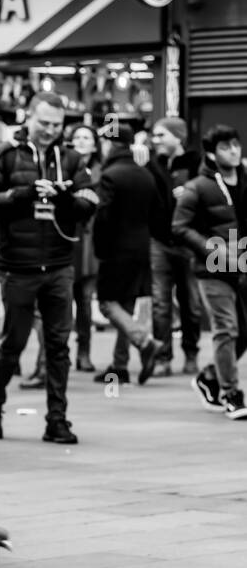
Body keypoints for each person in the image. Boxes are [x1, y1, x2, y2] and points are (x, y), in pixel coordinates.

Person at [0, 92, 95, 444]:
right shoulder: (6, 155)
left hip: (60, 264)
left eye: (57, 125)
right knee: (14, 343)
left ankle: (57, 420)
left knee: (59, 346)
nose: (50, 130)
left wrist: (66, 198)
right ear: (29, 117)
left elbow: (91, 202)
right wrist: (22, 194)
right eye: (43, 123)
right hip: (18, 265)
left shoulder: (72, 158)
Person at [173, 124, 247, 419]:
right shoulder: (198, 187)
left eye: (236, 145)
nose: (233, 151)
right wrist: (211, 249)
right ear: (211, 154)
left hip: (242, 265)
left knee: (244, 332)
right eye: (225, 147)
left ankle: (209, 376)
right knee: (226, 328)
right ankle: (231, 393)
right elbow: (179, 227)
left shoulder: (245, 179)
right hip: (213, 268)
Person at [91, 122, 163, 384]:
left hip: (115, 250)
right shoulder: (145, 175)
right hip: (142, 248)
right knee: (127, 305)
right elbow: (158, 213)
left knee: (108, 304)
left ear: (110, 144)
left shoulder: (111, 175)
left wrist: (100, 249)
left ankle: (144, 341)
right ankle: (120, 364)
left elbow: (103, 217)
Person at [147, 117, 202, 376]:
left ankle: (191, 353)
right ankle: (162, 356)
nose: (155, 140)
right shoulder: (152, 164)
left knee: (191, 302)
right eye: (154, 136)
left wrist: (191, 194)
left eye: (161, 135)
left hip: (189, 243)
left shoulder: (196, 164)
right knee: (160, 303)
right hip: (159, 241)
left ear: (177, 137)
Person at [68, 123, 102, 372]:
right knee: (61, 300)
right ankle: (56, 355)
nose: (81, 141)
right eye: (77, 137)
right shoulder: (65, 165)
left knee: (86, 300)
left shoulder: (102, 171)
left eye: (86, 137)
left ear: (94, 144)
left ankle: (84, 353)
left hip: (91, 241)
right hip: (68, 237)